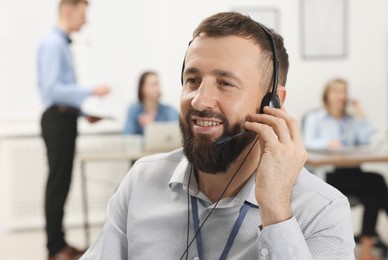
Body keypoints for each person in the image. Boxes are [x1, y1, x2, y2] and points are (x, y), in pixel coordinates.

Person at [82, 12, 354, 259]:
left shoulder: (322, 209)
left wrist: (276, 211)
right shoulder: (141, 182)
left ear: (272, 102)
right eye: (193, 80)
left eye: (225, 83)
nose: (200, 101)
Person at [37, 0, 110, 259]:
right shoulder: (53, 44)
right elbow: (52, 90)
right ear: (68, 12)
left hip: (65, 118)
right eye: (82, 15)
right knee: (57, 184)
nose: (85, 21)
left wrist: (82, 112)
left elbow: (60, 93)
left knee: (62, 183)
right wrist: (91, 91)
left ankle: (60, 243)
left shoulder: (60, 44)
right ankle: (55, 248)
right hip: (57, 120)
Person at [302, 78, 388, 260]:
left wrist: (361, 114)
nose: (341, 95)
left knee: (372, 195)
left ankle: (366, 250)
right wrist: (327, 143)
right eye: (336, 91)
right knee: (377, 180)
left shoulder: (351, 119)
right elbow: (306, 141)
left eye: (344, 91)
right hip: (329, 174)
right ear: (327, 94)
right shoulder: (315, 117)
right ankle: (367, 247)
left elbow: (368, 141)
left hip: (353, 173)